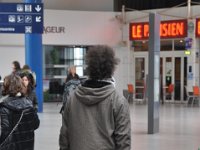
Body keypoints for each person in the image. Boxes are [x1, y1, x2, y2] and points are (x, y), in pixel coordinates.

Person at [59, 45, 131, 150]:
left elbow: (64, 137)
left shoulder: (73, 98)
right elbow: (123, 141)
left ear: (90, 68)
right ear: (111, 69)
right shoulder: (118, 101)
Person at [0, 74, 40, 150]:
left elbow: (5, 131)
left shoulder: (5, 107)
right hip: (27, 145)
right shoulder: (28, 103)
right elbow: (36, 124)